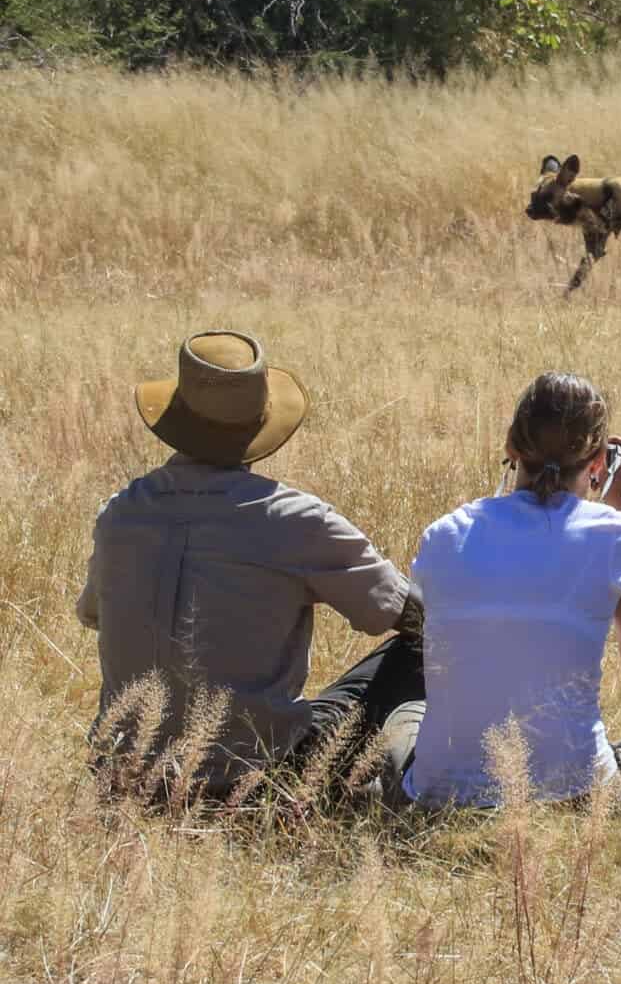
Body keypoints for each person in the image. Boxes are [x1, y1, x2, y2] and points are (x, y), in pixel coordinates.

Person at [78, 331, 423, 799]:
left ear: (178, 414)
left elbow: (93, 614)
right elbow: (407, 613)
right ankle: (425, 777)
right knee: (417, 652)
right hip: (254, 777)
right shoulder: (295, 520)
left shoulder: (120, 513)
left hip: (123, 774)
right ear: (258, 424)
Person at [379, 373, 621, 813]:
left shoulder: (443, 534)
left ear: (511, 446)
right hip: (579, 800)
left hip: (440, 799)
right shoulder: (616, 536)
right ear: (598, 461)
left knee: (408, 714)